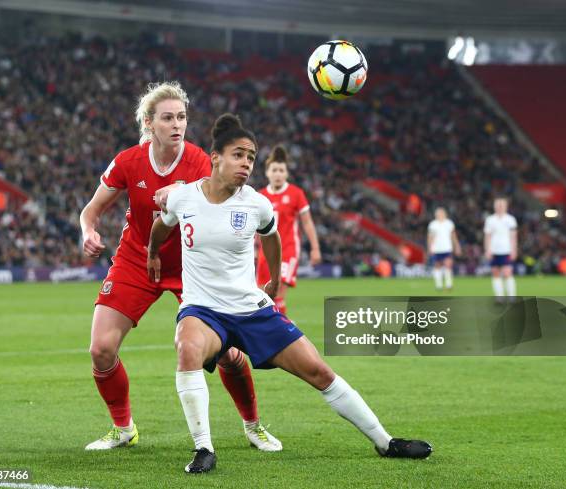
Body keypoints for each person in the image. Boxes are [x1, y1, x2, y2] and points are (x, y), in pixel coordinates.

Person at [147, 113, 432, 474]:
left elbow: (271, 236)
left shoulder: (256, 204)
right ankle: (204, 449)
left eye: (251, 157)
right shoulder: (184, 197)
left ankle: (385, 442)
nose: (247, 164)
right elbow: (162, 224)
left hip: (251, 309)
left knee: (318, 370)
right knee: (186, 348)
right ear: (215, 157)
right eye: (239, 155)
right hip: (203, 310)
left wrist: (276, 281)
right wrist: (153, 252)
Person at [79, 82, 281, 452]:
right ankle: (123, 429)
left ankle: (253, 425)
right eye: (168, 117)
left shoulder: (204, 162)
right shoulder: (127, 162)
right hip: (137, 260)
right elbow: (90, 212)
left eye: (182, 117)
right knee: (100, 349)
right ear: (148, 123)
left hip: (194, 266)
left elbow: (236, 206)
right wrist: (88, 231)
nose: (177, 124)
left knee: (231, 354)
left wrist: (185, 194)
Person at [256, 145, 321, 314]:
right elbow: (255, 227)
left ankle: (281, 332)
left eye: (281, 170)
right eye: (274, 170)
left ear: (286, 173)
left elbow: (307, 223)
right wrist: (254, 249)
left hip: (288, 250)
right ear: (267, 173)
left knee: (278, 294)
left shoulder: (296, 194)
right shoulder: (260, 196)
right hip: (266, 252)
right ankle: (270, 329)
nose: (278, 174)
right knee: (262, 297)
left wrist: (315, 248)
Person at [484, 197, 518, 300]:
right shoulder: (490, 219)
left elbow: (514, 236)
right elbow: (487, 236)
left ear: (506, 206)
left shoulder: (510, 219)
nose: (499, 207)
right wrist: (487, 250)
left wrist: (514, 249)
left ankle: (511, 296)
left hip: (506, 250)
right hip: (494, 250)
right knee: (495, 273)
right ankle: (499, 297)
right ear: (494, 206)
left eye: (502, 205)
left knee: (507, 273)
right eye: (498, 205)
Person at [427, 207, 461, 291]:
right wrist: (429, 248)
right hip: (436, 249)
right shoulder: (433, 224)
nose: (439, 215)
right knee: (437, 266)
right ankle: (439, 285)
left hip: (447, 248)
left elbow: (453, 236)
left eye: (441, 213)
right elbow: (430, 237)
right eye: (438, 213)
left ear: (445, 214)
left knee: (448, 265)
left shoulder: (449, 223)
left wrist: (457, 246)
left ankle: (449, 284)